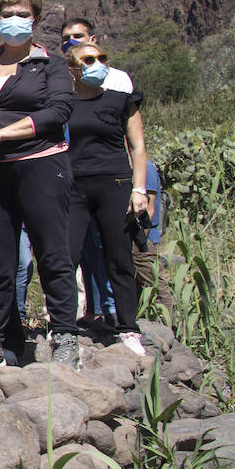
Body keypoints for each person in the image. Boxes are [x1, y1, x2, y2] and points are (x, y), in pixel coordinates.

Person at [0, 0, 80, 374]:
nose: (13, 21)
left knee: (52, 253)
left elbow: (58, 112)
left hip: (40, 165)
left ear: (35, 19)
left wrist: (2, 134)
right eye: (7, 14)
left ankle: (65, 337)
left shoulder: (50, 65)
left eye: (22, 14)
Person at [65, 41, 149, 355]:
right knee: (66, 256)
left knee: (119, 257)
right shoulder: (63, 103)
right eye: (88, 60)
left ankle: (128, 328)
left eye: (102, 58)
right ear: (72, 69)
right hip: (74, 186)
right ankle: (63, 328)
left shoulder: (121, 100)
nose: (98, 63)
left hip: (115, 183)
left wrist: (139, 189)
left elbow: (138, 146)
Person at [61, 17, 130, 329]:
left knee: (113, 250)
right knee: (77, 252)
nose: (72, 41)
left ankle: (118, 317)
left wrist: (138, 185)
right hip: (75, 182)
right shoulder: (63, 94)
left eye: (79, 35)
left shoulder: (119, 85)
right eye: (67, 37)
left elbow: (130, 140)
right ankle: (79, 316)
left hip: (112, 177)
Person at [135, 158, 175, 323]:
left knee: (155, 285)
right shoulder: (134, 165)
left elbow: (149, 210)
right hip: (135, 237)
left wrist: (140, 241)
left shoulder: (146, 168)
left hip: (144, 239)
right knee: (137, 287)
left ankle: (170, 326)